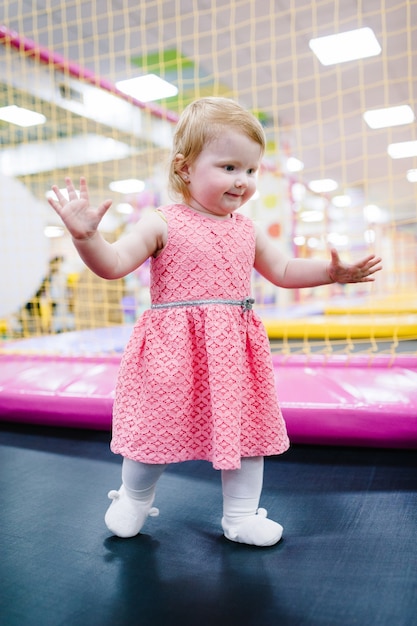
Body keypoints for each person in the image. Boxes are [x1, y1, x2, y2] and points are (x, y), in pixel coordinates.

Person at [48, 97, 382, 547]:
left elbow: (283, 271)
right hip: (173, 351)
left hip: (232, 352)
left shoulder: (246, 228)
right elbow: (113, 264)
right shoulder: (161, 222)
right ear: (185, 168)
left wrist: (329, 272)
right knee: (153, 430)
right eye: (229, 167)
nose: (242, 181)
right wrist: (87, 237)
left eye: (250, 170)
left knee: (247, 436)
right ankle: (133, 497)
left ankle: (241, 516)